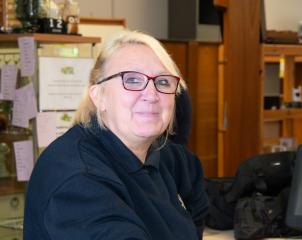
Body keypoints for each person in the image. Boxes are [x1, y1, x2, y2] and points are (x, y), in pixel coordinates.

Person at [23, 30, 209, 240]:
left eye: (163, 82)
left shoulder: (158, 153)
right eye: (132, 80)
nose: (151, 94)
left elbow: (198, 203)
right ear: (98, 96)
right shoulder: (77, 180)